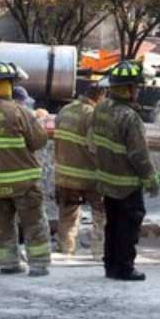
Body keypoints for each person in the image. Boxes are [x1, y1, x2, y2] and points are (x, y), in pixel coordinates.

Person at [0, 61, 52, 277]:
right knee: (33, 222)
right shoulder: (18, 111)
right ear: (8, 85)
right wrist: (39, 122)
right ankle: (38, 264)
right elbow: (38, 141)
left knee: (2, 224)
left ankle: (7, 263)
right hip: (23, 182)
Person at [91, 60, 159, 281]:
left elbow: (92, 142)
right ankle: (124, 268)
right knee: (128, 225)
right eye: (136, 87)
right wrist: (150, 178)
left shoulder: (100, 108)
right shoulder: (130, 117)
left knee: (112, 224)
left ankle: (110, 265)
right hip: (127, 183)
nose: (138, 91)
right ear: (128, 89)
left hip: (106, 181)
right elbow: (138, 154)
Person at [54, 83, 107, 259]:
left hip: (64, 175)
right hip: (88, 176)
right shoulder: (92, 115)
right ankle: (99, 251)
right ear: (99, 97)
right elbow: (95, 146)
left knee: (68, 212)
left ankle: (65, 249)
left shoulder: (65, 111)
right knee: (101, 213)